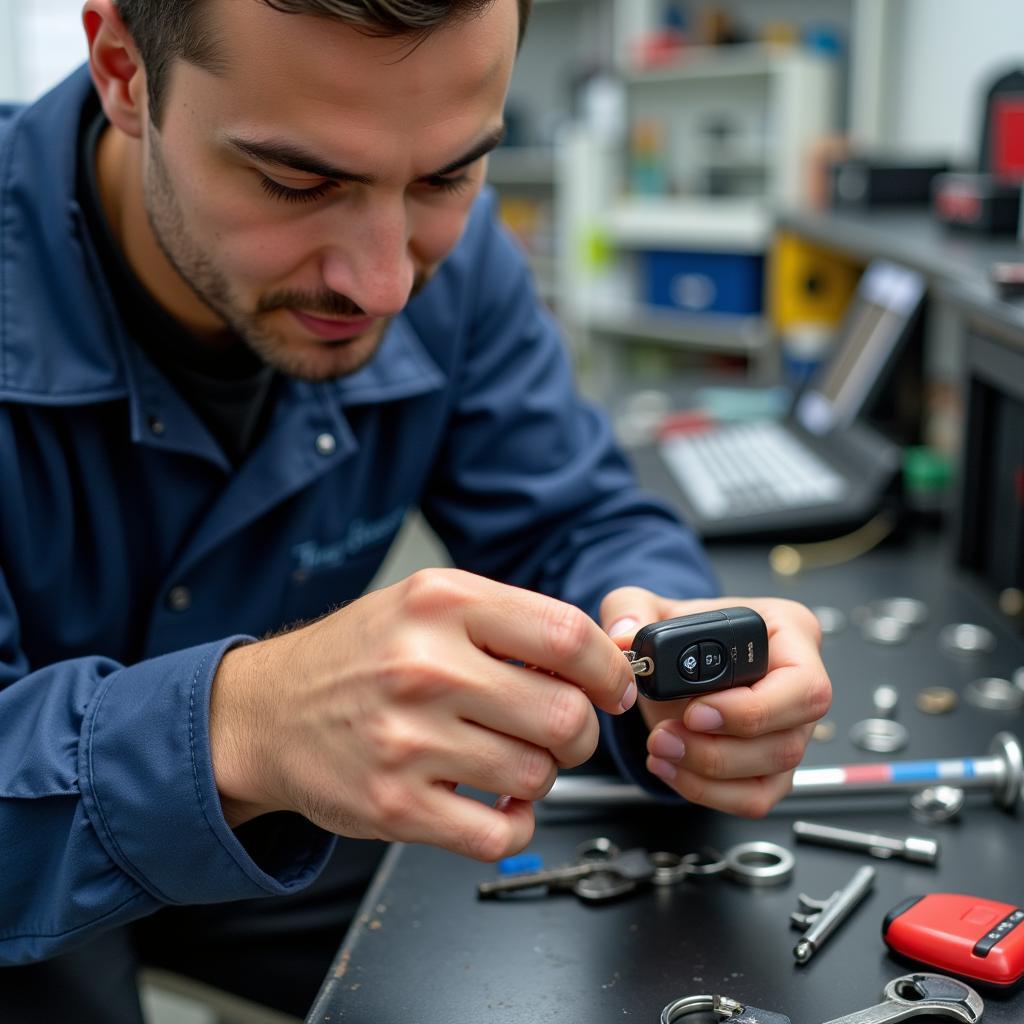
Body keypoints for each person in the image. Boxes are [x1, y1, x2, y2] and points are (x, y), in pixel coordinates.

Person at [0, 0, 831, 1018]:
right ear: (125, 72)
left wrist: (655, 651)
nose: (386, 281)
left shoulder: (460, 263)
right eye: (296, 180)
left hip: (273, 829)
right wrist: (243, 725)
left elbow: (570, 521)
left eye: (447, 175)